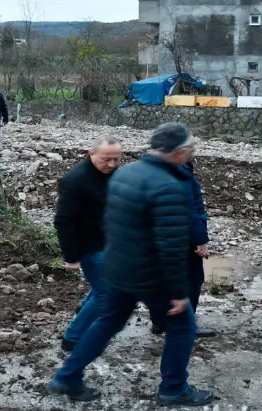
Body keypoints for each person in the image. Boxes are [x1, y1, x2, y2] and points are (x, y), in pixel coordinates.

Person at [48, 123, 214, 407]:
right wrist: (177, 290)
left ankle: (67, 376)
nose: (192, 153)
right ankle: (174, 389)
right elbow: (170, 244)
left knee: (107, 322)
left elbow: (111, 223)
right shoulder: (169, 187)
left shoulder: (126, 173)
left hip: (117, 266)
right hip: (151, 275)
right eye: (191, 149)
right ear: (179, 152)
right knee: (183, 327)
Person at [54, 136, 123, 352]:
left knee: (102, 287)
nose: (111, 165)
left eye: (116, 159)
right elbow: (64, 221)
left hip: (107, 241)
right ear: (91, 153)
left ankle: (83, 309)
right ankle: (72, 338)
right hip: (88, 246)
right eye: (106, 160)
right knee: (107, 294)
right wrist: (71, 257)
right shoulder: (75, 181)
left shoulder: (111, 175)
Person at [151, 160, 215, 338]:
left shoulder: (152, 169)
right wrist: (200, 240)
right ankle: (184, 326)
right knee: (192, 281)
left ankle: (159, 321)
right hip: (181, 238)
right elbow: (191, 210)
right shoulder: (181, 173)